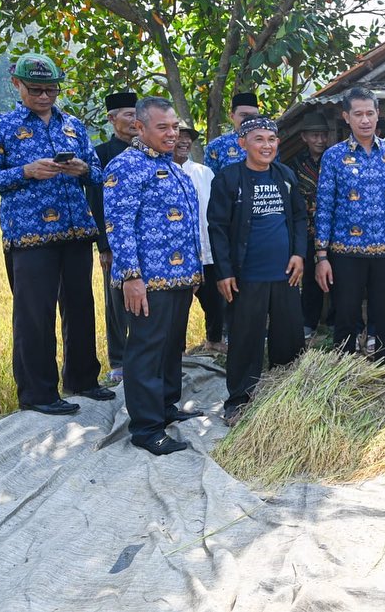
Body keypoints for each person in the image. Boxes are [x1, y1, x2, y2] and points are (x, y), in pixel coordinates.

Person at [0, 52, 112, 415]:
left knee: (81, 308)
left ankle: (83, 379)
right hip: (30, 236)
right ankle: (38, 394)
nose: (45, 97)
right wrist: (26, 171)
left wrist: (82, 168)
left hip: (77, 230)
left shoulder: (74, 126)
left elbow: (98, 174)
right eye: (36, 90)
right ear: (16, 83)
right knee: (35, 315)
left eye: (52, 89)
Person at [103, 97, 205, 455]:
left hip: (179, 277)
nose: (172, 133)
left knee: (170, 346)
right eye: (163, 127)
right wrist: (131, 277)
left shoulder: (173, 166)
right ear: (140, 128)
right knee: (146, 350)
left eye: (174, 126)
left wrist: (192, 270)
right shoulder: (126, 167)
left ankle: (165, 407)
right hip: (147, 281)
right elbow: (119, 227)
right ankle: (147, 429)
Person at [314, 87, 385, 393]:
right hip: (345, 254)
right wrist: (321, 256)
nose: (364, 120)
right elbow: (324, 207)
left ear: (377, 114)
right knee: (345, 319)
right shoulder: (334, 157)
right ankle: (344, 382)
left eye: (369, 113)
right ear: (346, 117)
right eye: (357, 114)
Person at [208, 115, 308, 424]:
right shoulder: (228, 178)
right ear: (243, 143)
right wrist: (224, 271)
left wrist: (298, 255)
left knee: (289, 337)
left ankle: (287, 394)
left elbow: (299, 218)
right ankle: (239, 399)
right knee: (245, 339)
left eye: (272, 140)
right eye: (259, 139)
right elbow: (218, 228)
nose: (267, 145)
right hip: (246, 276)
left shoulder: (285, 175)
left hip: (285, 275)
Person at [90, 90, 138, 383]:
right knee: (117, 301)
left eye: (137, 114)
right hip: (114, 242)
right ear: (112, 119)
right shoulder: (102, 154)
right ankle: (119, 360)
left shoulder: (148, 151)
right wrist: (104, 246)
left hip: (146, 239)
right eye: (128, 115)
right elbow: (96, 200)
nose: (134, 120)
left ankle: (145, 356)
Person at [173, 122, 224, 352]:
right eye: (179, 136)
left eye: (188, 137)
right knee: (179, 303)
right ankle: (177, 349)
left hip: (207, 247)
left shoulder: (205, 173)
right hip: (178, 254)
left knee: (214, 299)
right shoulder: (162, 172)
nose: (184, 141)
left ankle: (213, 340)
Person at [288, 111, 332, 340]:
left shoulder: (335, 160)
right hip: (306, 231)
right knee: (309, 279)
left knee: (338, 276)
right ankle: (308, 322)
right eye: (314, 135)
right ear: (304, 137)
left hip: (333, 232)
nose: (320, 140)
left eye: (323, 135)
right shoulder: (295, 165)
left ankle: (335, 320)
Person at [204, 92, 260, 173]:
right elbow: (209, 179)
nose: (249, 119)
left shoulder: (268, 144)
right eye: (244, 115)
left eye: (254, 115)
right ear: (232, 116)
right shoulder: (217, 145)